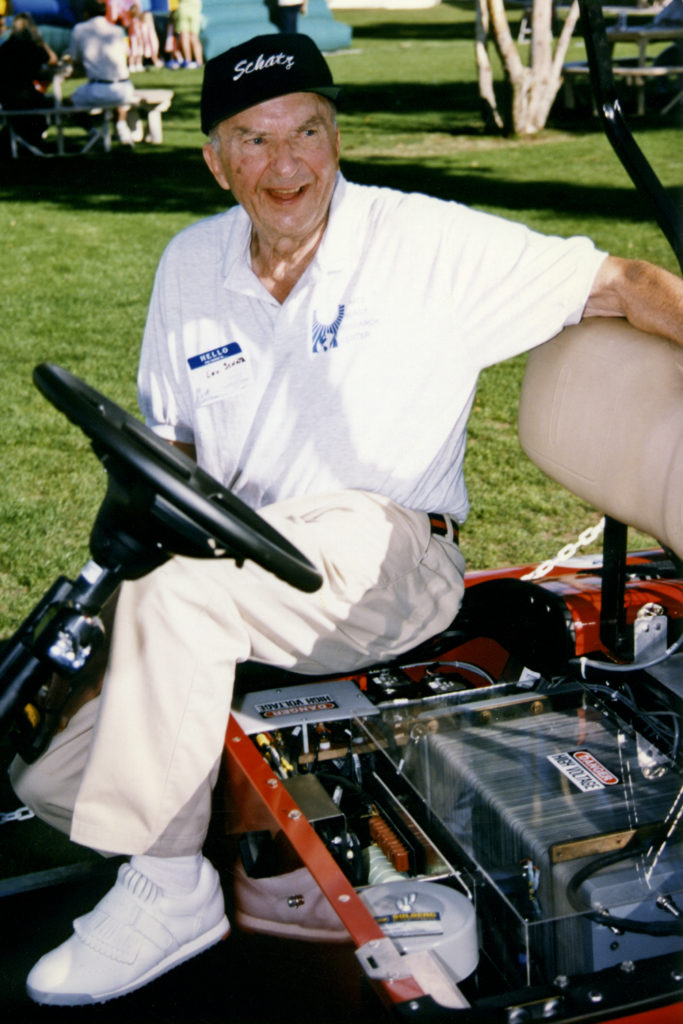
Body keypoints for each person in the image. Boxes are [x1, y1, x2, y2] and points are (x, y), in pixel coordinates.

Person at [10, 31, 683, 1008]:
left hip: (386, 552)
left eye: (308, 131)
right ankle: (242, 853)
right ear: (215, 159)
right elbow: (177, 449)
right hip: (245, 565)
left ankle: (168, 887)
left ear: (337, 138)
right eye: (254, 138)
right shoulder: (189, 264)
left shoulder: (422, 244)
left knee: (181, 595)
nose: (286, 163)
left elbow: (619, 282)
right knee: (48, 769)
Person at [67, 0, 139, 145]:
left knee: (69, 103)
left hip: (98, 88)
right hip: (124, 88)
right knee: (116, 90)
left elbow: (74, 58)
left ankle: (93, 132)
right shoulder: (117, 30)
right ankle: (121, 125)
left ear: (86, 14)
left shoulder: (80, 29)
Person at [0, 11, 58, 146]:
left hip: (8, 99)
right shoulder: (33, 48)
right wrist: (41, 41)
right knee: (54, 103)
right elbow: (53, 60)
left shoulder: (5, 48)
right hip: (28, 98)